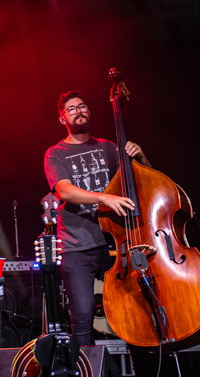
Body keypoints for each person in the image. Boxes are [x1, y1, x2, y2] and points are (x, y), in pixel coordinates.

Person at [43, 90, 151, 349]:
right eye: (71, 109)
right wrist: (103, 198)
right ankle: (87, 367)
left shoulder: (108, 147)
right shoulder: (55, 153)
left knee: (134, 309)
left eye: (82, 106)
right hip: (77, 245)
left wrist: (141, 157)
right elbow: (64, 191)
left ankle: (141, 365)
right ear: (62, 119)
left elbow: (145, 181)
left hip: (115, 242)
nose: (78, 111)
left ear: (89, 112)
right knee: (82, 316)